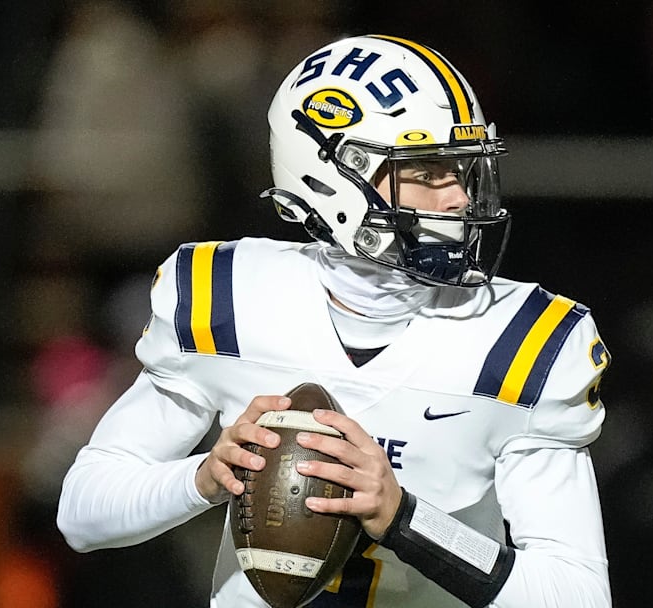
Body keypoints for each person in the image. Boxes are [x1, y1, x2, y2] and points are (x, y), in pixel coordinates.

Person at [57, 34, 612, 607]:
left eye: (461, 171)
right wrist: (204, 476)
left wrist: (403, 519)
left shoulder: (521, 339)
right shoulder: (229, 297)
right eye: (425, 170)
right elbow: (83, 511)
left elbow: (578, 596)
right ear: (331, 177)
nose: (456, 198)